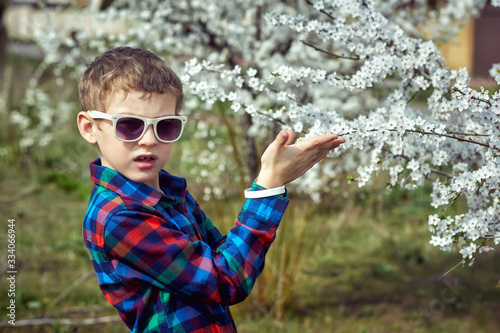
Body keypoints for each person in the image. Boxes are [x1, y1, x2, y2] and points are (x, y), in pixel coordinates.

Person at [76, 46, 345, 332]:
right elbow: (228, 279)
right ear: (90, 127)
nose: (149, 139)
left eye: (165, 126)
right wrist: (267, 186)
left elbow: (226, 258)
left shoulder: (168, 191)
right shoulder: (120, 218)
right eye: (129, 125)